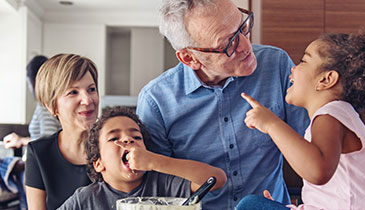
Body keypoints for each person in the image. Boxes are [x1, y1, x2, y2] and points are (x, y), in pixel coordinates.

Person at [136, 0, 309, 209]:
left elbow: (312, 149)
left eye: (242, 28)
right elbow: (160, 186)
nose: (246, 46)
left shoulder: (277, 65)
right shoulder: (156, 102)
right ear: (190, 58)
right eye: (228, 44)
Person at [238, 29, 365, 209]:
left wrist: (271, 123)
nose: (293, 68)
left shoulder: (330, 116)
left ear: (326, 79)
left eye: (303, 61)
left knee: (250, 205)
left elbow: (317, 172)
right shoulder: (339, 115)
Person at [57, 106, 227, 210]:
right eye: (114, 138)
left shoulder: (164, 185)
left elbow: (217, 179)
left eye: (137, 137)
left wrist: (155, 161)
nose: (128, 140)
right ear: (99, 164)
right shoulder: (86, 199)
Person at [25, 54, 99, 210]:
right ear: (52, 106)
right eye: (73, 92)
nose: (87, 100)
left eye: (91, 89)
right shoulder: (38, 153)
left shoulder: (115, 146)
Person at [3, 55, 61, 149]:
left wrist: (22, 140)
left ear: (34, 80)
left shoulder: (45, 105)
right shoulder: (50, 102)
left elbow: (48, 139)